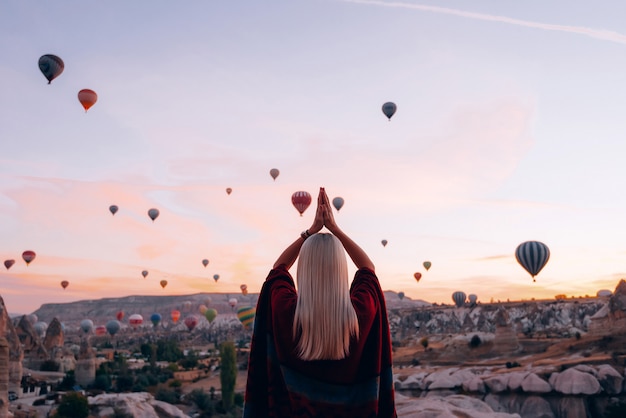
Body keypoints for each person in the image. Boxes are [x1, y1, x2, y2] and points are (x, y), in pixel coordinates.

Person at [244, 187, 397, 417]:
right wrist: (336, 230)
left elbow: (277, 270)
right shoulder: (362, 311)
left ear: (304, 269)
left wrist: (309, 232)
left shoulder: (285, 311)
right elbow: (368, 269)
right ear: (341, 269)